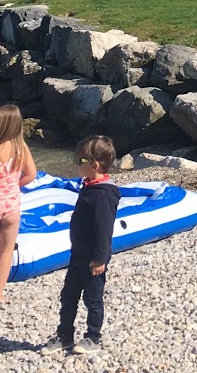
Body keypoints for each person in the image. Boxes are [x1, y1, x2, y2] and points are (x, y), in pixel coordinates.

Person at [56, 135, 120, 356]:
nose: (75, 163)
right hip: (78, 255)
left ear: (93, 165)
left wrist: (101, 258)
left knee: (92, 299)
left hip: (94, 259)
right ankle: (64, 335)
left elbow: (104, 230)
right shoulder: (89, 187)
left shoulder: (103, 195)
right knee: (68, 296)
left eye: (79, 160)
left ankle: (93, 336)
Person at [0, 104, 38, 304]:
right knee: (7, 250)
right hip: (12, 205)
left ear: (2, 129)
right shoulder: (21, 147)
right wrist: (13, 186)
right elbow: (31, 174)